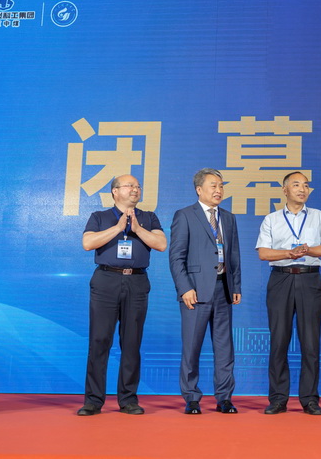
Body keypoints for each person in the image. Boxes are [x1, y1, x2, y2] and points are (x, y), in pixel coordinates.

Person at [77, 175, 167, 416]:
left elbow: (161, 244)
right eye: (130, 186)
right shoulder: (99, 216)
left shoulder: (148, 217)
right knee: (99, 341)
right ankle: (93, 400)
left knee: (131, 342)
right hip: (106, 280)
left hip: (137, 281)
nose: (135, 189)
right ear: (115, 191)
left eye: (138, 186)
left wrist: (137, 229)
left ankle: (128, 399)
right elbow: (88, 243)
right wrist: (117, 228)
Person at [256, 172, 321, 415]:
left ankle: (309, 399)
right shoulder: (271, 219)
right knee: (278, 340)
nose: (302, 189)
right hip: (280, 279)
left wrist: (307, 250)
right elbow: (264, 253)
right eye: (296, 184)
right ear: (285, 190)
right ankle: (278, 399)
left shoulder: (318, 216)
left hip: (309, 278)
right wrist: (288, 253)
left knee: (310, 342)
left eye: (306, 185)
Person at [170, 168, 242, 415]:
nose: (218, 190)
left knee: (225, 348)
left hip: (223, 289)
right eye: (213, 186)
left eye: (221, 186)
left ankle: (224, 398)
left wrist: (236, 286)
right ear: (199, 189)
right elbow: (176, 257)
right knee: (192, 347)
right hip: (196, 291)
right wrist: (185, 288)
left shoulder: (228, 218)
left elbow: (233, 256)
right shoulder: (185, 215)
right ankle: (191, 398)